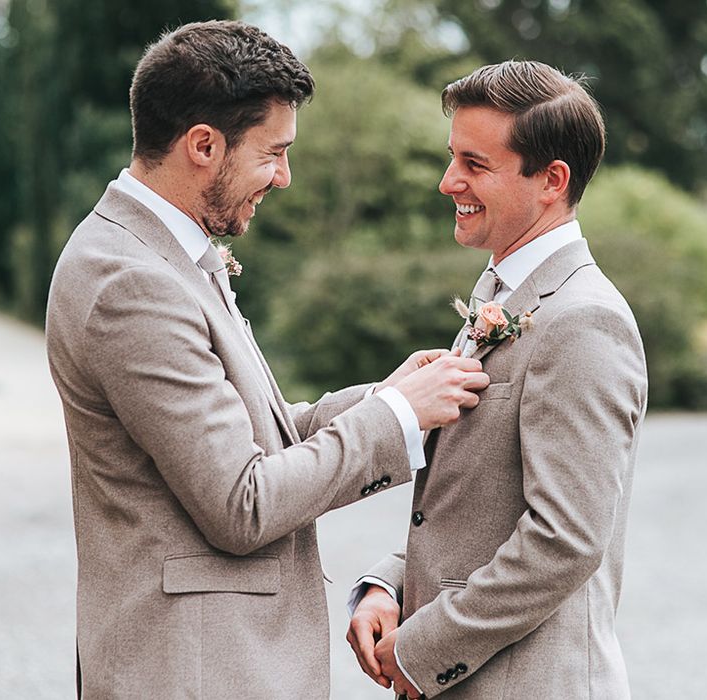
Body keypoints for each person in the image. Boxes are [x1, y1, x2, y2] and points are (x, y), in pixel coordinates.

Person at [45, 20, 490, 699]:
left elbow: (258, 431)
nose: (283, 178)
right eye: (274, 153)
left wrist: (387, 396)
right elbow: (242, 502)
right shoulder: (128, 281)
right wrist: (397, 416)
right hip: (192, 670)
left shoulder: (164, 254)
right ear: (203, 145)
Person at [347, 60, 648, 699]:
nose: (446, 181)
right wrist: (389, 584)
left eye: (474, 164)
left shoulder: (584, 321)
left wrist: (423, 650)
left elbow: (564, 540)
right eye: (452, 157)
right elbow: (476, 511)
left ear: (551, 180)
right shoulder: (504, 291)